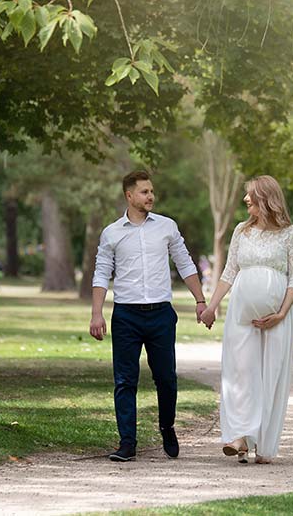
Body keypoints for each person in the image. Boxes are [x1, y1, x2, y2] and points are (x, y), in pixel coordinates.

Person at [90, 170, 208, 462]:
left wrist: (201, 301)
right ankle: (127, 442)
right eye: (144, 192)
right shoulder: (112, 233)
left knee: (166, 378)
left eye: (151, 191)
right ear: (129, 196)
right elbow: (102, 273)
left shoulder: (167, 227)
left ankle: (167, 427)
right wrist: (96, 314)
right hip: (126, 315)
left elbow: (184, 262)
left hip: (161, 315)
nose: (150, 196)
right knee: (124, 381)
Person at [200, 175, 293, 464]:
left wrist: (281, 313)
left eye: (251, 196)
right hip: (241, 316)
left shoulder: (291, 234)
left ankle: (263, 445)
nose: (246, 200)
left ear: (267, 199)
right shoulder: (240, 231)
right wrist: (212, 307)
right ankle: (240, 437)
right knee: (241, 372)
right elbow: (229, 272)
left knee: (270, 377)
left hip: (278, 319)